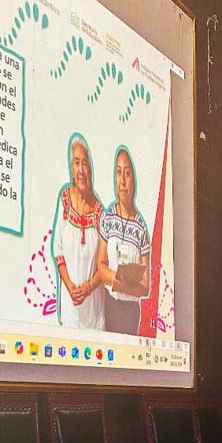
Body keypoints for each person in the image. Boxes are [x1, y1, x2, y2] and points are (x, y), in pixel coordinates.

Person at [52, 134, 104, 330]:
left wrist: (88, 287)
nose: (81, 170)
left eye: (84, 163)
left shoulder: (99, 211)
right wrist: (70, 287)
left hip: (93, 311)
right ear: (71, 169)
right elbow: (58, 250)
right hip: (70, 308)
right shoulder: (64, 199)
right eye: (76, 163)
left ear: (90, 169)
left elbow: (104, 263)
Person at [97, 147, 150, 334]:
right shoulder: (108, 217)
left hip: (131, 311)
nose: (122, 181)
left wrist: (127, 287)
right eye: (118, 172)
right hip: (111, 305)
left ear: (134, 179)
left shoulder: (141, 228)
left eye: (127, 173)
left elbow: (145, 286)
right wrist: (116, 280)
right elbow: (101, 265)